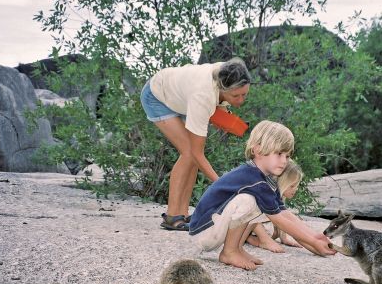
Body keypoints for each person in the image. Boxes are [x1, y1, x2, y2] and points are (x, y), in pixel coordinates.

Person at [189, 120, 336, 271]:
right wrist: (312, 240)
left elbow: (284, 213)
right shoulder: (253, 179)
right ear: (258, 150)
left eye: (287, 155)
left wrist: (316, 237)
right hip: (204, 231)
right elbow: (278, 220)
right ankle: (229, 252)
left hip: (213, 228)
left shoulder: (265, 180)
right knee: (248, 201)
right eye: (279, 154)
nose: (284, 161)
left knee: (259, 205)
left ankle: (237, 249)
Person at [141, 58, 251, 231]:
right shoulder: (203, 96)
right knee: (188, 152)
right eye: (235, 96)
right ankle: (172, 216)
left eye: (244, 94)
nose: (241, 100)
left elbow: (220, 105)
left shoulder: (227, 71)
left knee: (191, 156)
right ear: (222, 88)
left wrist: (230, 120)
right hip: (157, 97)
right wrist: (225, 187)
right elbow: (197, 153)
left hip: (181, 98)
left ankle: (182, 214)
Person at [247, 159, 304, 253]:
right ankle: (262, 239)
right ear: (281, 183)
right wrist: (264, 238)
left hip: (244, 227)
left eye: (297, 185)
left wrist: (284, 237)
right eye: (292, 186)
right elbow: (252, 215)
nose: (296, 189)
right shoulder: (264, 191)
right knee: (255, 209)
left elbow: (280, 214)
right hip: (234, 222)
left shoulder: (277, 196)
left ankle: (251, 237)